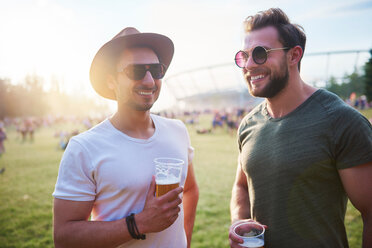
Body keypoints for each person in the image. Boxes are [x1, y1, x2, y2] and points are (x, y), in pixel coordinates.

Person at [229, 8, 372, 248]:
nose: (250, 65)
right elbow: (241, 185)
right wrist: (239, 221)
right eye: (244, 56)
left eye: (260, 53)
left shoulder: (342, 121)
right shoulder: (248, 125)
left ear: (294, 56)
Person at [53, 27, 199, 248]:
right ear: (111, 81)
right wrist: (140, 223)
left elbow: (189, 190)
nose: (150, 81)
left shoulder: (178, 131)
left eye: (156, 70)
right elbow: (65, 237)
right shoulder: (84, 148)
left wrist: (185, 241)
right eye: (136, 71)